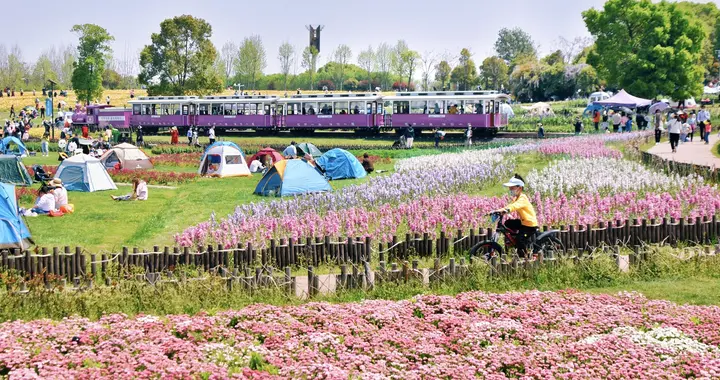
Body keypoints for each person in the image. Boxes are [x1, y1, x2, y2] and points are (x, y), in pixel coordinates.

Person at [492, 174, 538, 259]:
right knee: (508, 223)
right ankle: (514, 238)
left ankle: (526, 257)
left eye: (512, 188)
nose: (510, 190)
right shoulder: (516, 198)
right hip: (523, 222)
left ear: (519, 188)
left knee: (520, 240)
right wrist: (498, 211)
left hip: (530, 224)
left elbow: (514, 206)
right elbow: (510, 205)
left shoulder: (522, 198)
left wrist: (507, 210)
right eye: (510, 188)